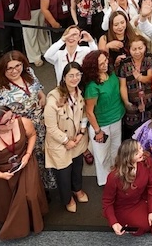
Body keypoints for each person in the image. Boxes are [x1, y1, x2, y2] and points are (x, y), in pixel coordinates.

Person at [0, 106, 48, 240]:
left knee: (30, 195)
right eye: (7, 121)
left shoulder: (23, 123)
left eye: (12, 116)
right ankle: (17, 223)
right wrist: (1, 175)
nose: (12, 121)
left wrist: (28, 154)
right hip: (3, 172)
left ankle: (31, 221)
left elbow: (32, 135)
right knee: (7, 201)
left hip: (25, 163)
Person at [0, 51, 55, 193]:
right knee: (31, 159)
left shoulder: (29, 73)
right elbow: (1, 117)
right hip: (23, 130)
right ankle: (37, 190)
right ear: (3, 70)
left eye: (17, 65)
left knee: (46, 154)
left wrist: (42, 96)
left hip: (41, 124)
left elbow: (38, 87)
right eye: (9, 68)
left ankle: (48, 184)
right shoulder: (0, 91)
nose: (14, 71)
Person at [43, 62, 89, 212]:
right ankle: (67, 199)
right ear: (64, 77)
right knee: (63, 174)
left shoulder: (80, 92)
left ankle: (77, 189)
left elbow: (84, 113)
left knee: (77, 167)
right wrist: (66, 141)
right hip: (60, 143)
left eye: (78, 75)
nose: (75, 78)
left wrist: (81, 132)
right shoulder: (53, 99)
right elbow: (51, 127)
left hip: (77, 139)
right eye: (71, 75)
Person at [102, 140, 152, 236]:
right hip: (126, 206)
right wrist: (114, 223)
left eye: (140, 148)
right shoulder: (114, 177)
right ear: (128, 157)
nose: (141, 152)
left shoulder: (146, 160)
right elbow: (107, 202)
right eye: (136, 153)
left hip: (144, 194)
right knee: (142, 226)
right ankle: (149, 216)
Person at [83, 49, 126, 187]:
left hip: (116, 119)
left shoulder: (111, 74)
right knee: (102, 157)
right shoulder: (92, 87)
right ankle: (105, 182)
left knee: (116, 151)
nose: (105, 64)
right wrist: (97, 131)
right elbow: (89, 112)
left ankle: (115, 177)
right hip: (102, 125)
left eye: (106, 61)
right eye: (101, 64)